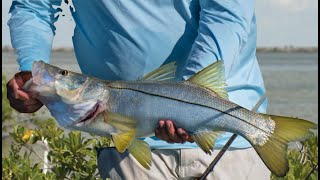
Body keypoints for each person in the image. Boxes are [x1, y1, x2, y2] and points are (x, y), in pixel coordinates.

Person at [7, 0, 270, 179]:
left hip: (231, 142)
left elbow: (228, 12)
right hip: (128, 148)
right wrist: (31, 71)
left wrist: (186, 100)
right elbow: (33, 6)